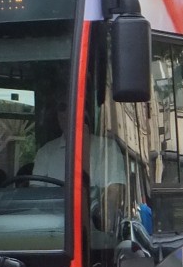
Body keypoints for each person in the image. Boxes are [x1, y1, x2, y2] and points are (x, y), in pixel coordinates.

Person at [32, 98, 127, 230]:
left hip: (94, 235)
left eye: (72, 106)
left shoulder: (107, 148)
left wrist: (102, 223)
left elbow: (114, 192)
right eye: (62, 108)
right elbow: (37, 196)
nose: (67, 113)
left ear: (83, 111)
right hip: (52, 231)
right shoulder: (45, 152)